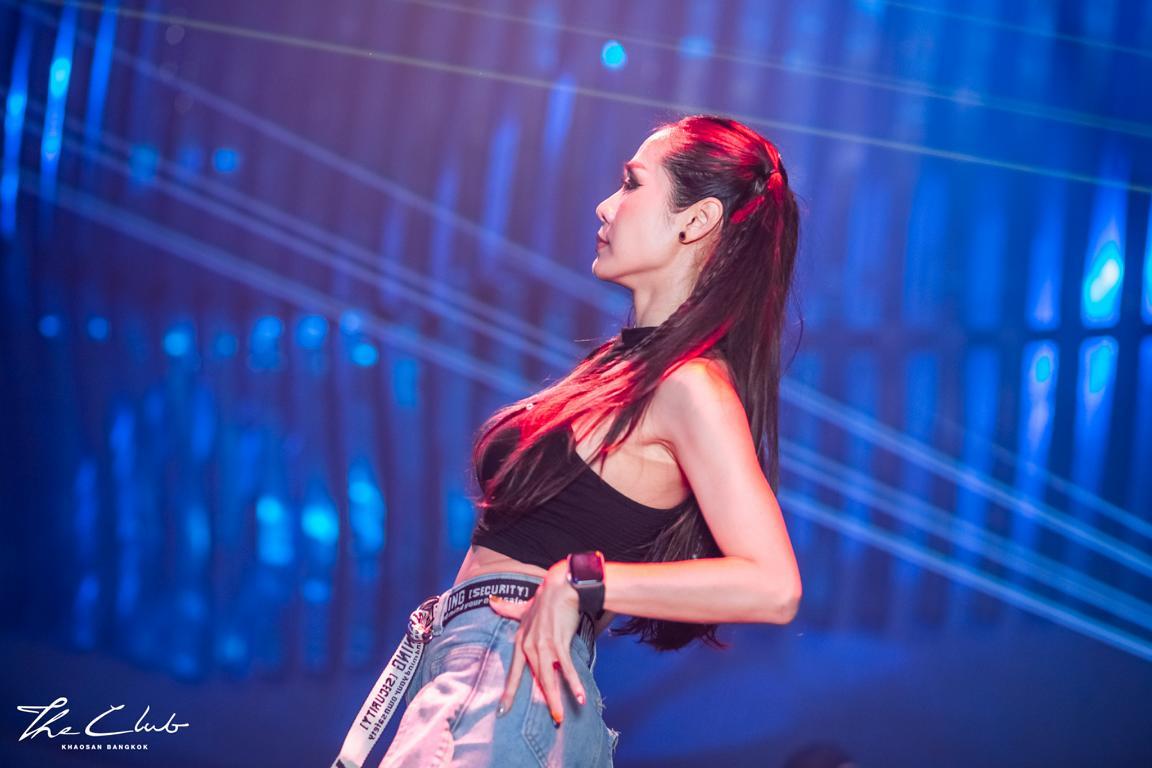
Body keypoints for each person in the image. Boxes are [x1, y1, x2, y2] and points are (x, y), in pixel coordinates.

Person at [331, 113, 803, 768]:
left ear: (695, 221)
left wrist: (583, 580)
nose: (606, 205)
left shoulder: (689, 385)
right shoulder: (630, 369)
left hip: (503, 679)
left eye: (632, 184)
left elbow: (774, 585)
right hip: (505, 681)